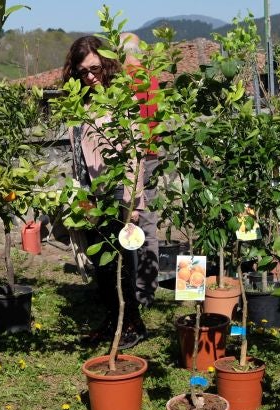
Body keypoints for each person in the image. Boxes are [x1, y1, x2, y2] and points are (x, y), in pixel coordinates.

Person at [63, 35, 146, 347]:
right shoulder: (80, 104)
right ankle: (113, 322)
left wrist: (133, 204)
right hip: (91, 198)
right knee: (102, 266)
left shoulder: (120, 100)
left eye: (95, 68)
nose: (89, 76)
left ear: (107, 65)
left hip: (116, 196)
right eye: (82, 72)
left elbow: (134, 153)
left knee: (120, 266)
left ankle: (133, 325)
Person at [120, 32, 160, 308]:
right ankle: (146, 288)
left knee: (136, 219)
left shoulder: (126, 79)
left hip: (136, 156)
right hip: (153, 151)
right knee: (148, 219)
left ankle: (139, 288)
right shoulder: (150, 75)